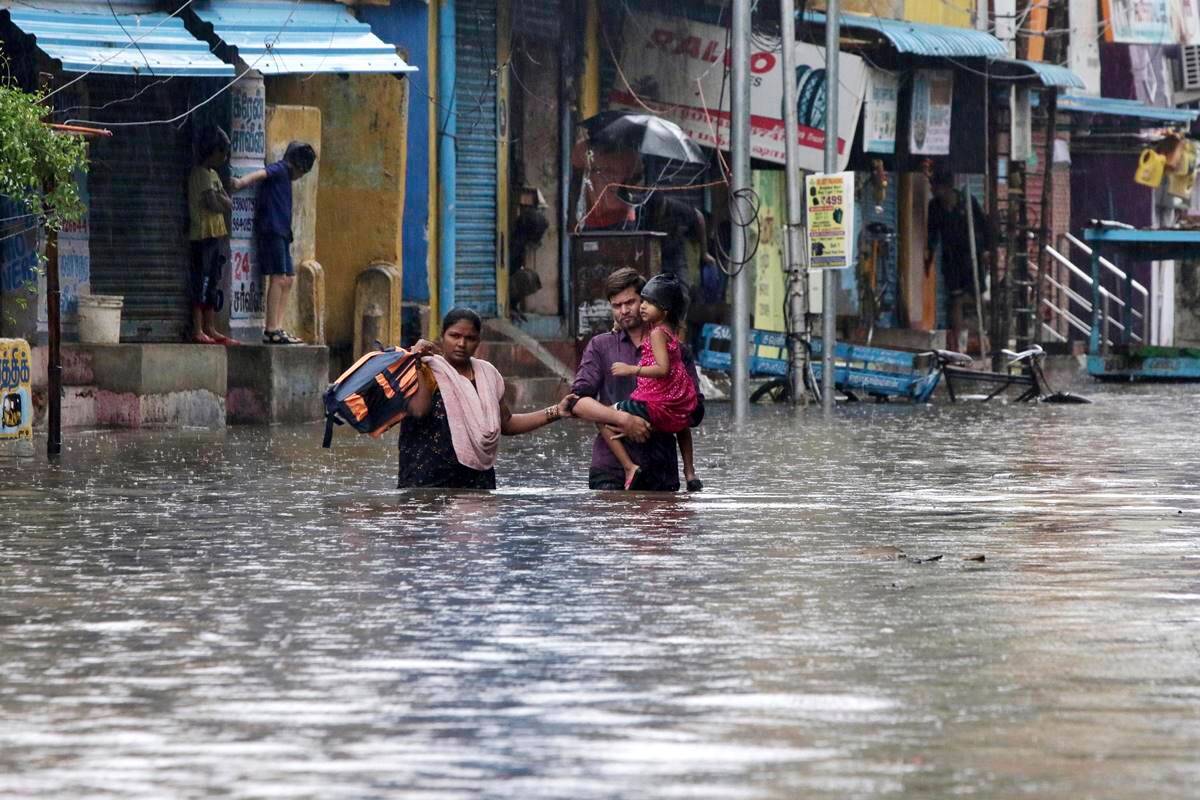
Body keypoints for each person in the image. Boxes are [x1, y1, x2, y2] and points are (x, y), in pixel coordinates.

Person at [397, 307, 576, 490]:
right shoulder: (424, 369)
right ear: (442, 336)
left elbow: (506, 423)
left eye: (470, 338)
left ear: (478, 341)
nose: (461, 343)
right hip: (426, 483)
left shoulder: (488, 375)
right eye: (455, 336)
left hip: (477, 482)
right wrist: (417, 363)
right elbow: (419, 411)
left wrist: (557, 411)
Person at [570, 268, 703, 492]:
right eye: (616, 306)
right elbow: (577, 403)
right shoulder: (601, 347)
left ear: (646, 301)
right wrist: (624, 421)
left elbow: (695, 411)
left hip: (660, 470)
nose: (624, 311)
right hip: (611, 470)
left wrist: (659, 415)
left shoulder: (675, 350)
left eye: (630, 302)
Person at [233, 141, 317, 345]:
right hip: (272, 229)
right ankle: (271, 329)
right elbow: (262, 174)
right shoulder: (280, 170)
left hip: (282, 232)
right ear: (298, 166)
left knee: (288, 279)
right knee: (278, 278)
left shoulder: (286, 176)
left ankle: (278, 326)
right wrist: (240, 183)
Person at [926, 172, 990, 351]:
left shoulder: (967, 201)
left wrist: (986, 250)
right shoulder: (935, 207)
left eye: (935, 186)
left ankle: (980, 335)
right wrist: (929, 255)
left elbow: (984, 225)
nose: (932, 190)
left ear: (946, 187)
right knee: (956, 299)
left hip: (971, 256)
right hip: (951, 258)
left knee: (977, 296)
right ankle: (960, 343)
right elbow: (932, 233)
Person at [186, 126, 236, 345]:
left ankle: (210, 327)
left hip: (216, 235)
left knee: (213, 280)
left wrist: (220, 199)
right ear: (213, 151)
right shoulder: (199, 174)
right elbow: (215, 203)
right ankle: (197, 329)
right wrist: (220, 199)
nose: (224, 158)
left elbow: (227, 202)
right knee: (201, 282)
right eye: (222, 153)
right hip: (202, 236)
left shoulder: (214, 175)